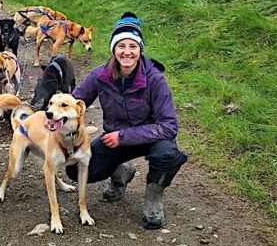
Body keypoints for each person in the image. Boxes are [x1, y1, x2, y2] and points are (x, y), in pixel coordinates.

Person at [65, 12, 187, 229]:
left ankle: (153, 199)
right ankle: (121, 173)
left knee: (168, 155)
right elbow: (73, 103)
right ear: (113, 49)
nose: (127, 52)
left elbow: (169, 127)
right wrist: (50, 115)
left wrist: (123, 136)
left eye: (133, 46)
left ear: (140, 49)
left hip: (151, 138)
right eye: (121, 46)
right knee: (75, 169)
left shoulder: (155, 79)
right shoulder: (100, 75)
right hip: (115, 140)